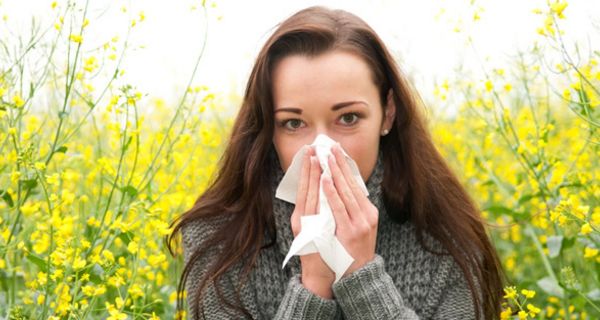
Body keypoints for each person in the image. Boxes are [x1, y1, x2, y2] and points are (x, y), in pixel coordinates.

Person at [167, 5, 505, 320]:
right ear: (269, 128)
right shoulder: (219, 241)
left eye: (348, 118)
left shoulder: (447, 238)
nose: (322, 148)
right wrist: (314, 284)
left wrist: (361, 277)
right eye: (294, 123)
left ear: (387, 113)